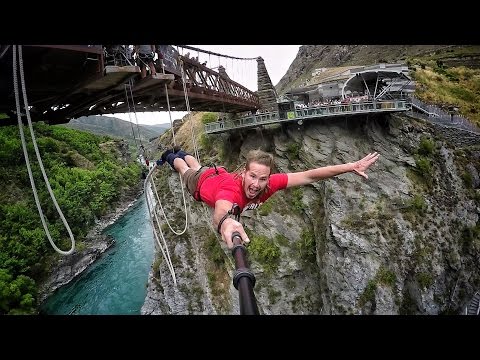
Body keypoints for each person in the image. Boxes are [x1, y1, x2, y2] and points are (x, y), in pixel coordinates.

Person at [158, 148, 379, 249]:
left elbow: (310, 175)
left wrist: (351, 166)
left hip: (217, 172)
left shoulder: (271, 183)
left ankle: (180, 150)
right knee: (185, 168)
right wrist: (225, 223)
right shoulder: (231, 191)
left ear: (268, 178)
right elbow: (221, 212)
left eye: (262, 179)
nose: (256, 184)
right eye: (252, 176)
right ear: (244, 173)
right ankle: (170, 154)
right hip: (201, 183)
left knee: (198, 164)